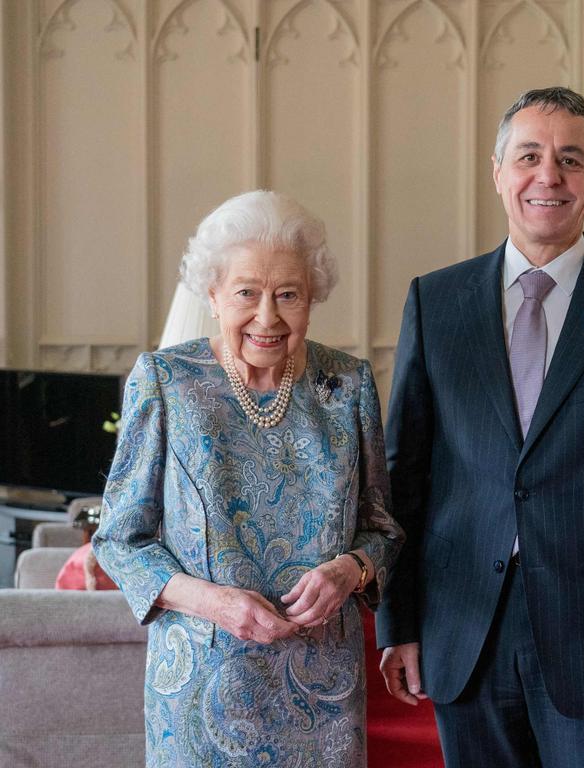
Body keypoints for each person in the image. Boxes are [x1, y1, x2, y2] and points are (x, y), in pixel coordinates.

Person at [375, 86, 584, 767]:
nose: (548, 175)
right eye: (528, 156)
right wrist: (397, 625)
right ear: (498, 172)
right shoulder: (435, 303)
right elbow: (402, 478)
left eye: (571, 159)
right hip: (463, 628)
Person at [93, 190, 404, 767]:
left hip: (323, 690)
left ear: (312, 298)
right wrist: (214, 603)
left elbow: (382, 529)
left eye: (289, 294)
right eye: (246, 293)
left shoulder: (348, 385)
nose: (268, 316)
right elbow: (119, 541)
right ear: (213, 295)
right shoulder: (166, 381)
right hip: (199, 684)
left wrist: (351, 569)